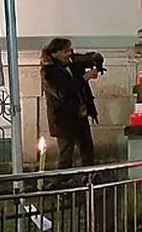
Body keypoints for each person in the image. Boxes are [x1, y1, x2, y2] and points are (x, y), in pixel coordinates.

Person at [40, 37, 100, 170]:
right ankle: (64, 184)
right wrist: (84, 77)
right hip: (63, 119)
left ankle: (89, 179)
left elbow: (84, 59)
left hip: (80, 115)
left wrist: (95, 58)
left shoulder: (71, 63)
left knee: (87, 151)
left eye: (70, 50)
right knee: (66, 155)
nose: (69, 54)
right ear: (55, 53)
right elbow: (62, 91)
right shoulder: (48, 71)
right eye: (66, 51)